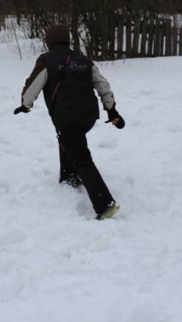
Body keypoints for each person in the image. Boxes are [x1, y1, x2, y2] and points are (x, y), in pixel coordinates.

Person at [14, 24, 125, 220]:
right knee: (69, 140)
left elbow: (33, 84)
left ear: (49, 41)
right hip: (88, 116)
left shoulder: (46, 60)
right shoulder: (83, 60)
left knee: (81, 157)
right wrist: (111, 109)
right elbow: (102, 84)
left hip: (67, 117)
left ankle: (104, 204)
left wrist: (26, 103)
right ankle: (69, 177)